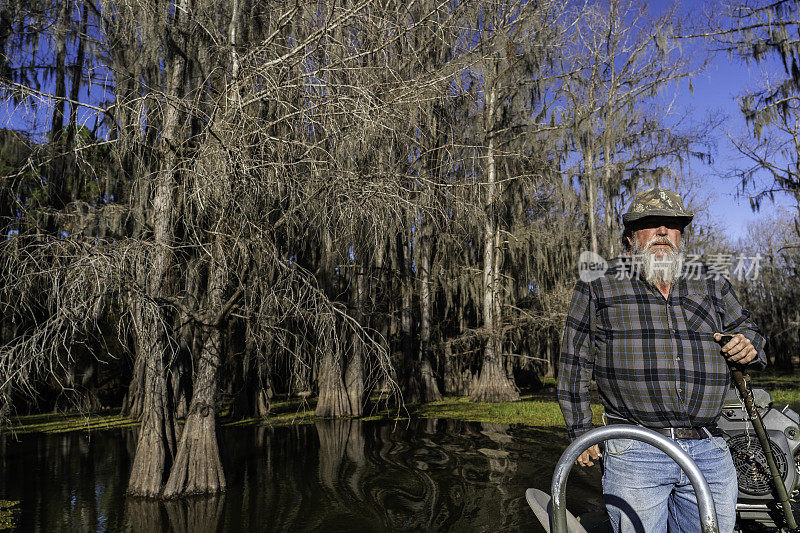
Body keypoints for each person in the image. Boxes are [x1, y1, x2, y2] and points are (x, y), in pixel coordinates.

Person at [557, 187, 766, 533]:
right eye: (651, 223)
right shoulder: (599, 282)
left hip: (709, 447)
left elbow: (749, 329)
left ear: (681, 236)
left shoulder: (710, 279)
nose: (663, 232)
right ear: (629, 237)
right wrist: (580, 430)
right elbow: (573, 360)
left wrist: (749, 344)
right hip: (635, 448)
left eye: (672, 225)